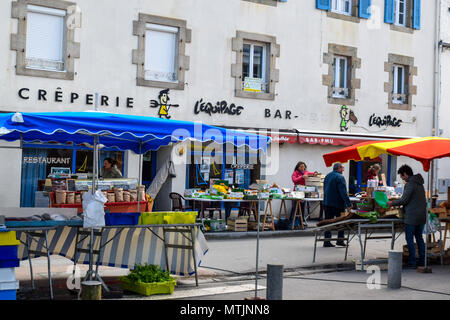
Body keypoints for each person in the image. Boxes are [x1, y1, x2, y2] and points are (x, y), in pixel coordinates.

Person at [387, 165, 426, 269]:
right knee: (419, 238)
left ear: (405, 174)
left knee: (410, 239)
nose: (402, 179)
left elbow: (404, 200)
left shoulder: (410, 184)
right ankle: (422, 261)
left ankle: (412, 262)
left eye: (402, 176)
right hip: (421, 215)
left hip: (412, 216)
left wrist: (391, 203)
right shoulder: (419, 183)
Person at [323, 163, 352, 247]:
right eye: (342, 168)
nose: (343, 170)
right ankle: (340, 240)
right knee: (341, 221)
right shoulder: (340, 177)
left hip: (327, 202)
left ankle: (326, 241)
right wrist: (348, 204)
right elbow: (343, 192)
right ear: (339, 168)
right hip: (337, 203)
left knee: (328, 222)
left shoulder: (328, 176)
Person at [291, 161, 318, 227]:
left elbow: (311, 174)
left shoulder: (306, 172)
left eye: (303, 166)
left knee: (302, 207)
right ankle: (292, 221)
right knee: (295, 207)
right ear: (298, 167)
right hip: (296, 192)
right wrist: (302, 177)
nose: (302, 168)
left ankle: (301, 221)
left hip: (303, 192)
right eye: (301, 167)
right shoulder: (295, 173)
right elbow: (294, 180)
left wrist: (315, 173)